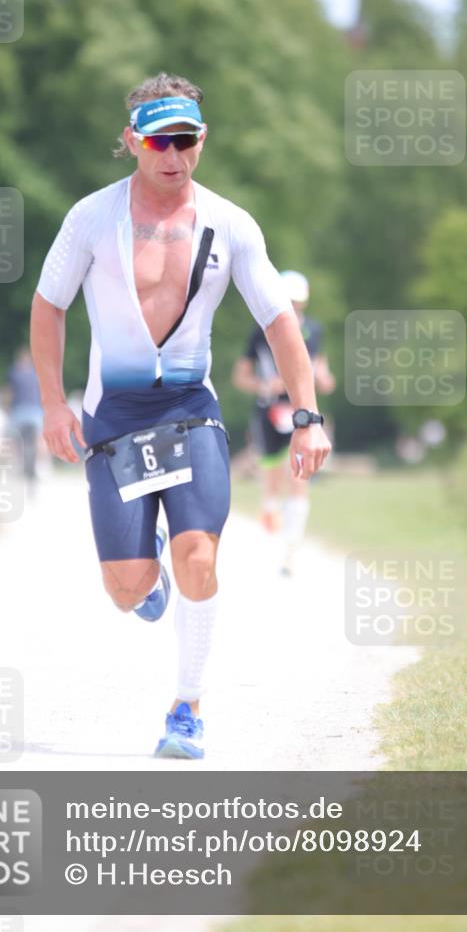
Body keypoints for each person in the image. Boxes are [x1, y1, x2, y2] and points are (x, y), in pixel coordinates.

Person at [29, 72, 331, 759]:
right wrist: (52, 401)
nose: (174, 154)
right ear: (134, 141)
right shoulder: (91, 219)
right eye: (160, 140)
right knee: (127, 588)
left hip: (192, 413)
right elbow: (49, 306)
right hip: (115, 418)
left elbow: (281, 322)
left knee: (202, 558)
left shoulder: (232, 224)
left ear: (202, 139)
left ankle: (186, 707)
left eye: (187, 139)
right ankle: (149, 577)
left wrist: (308, 415)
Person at [232, 271, 336, 574]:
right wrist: (266, 386)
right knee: (272, 482)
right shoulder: (261, 330)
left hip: (301, 414)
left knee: (300, 479)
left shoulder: (315, 331)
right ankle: (269, 519)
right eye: (290, 302)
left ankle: (291, 551)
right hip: (268, 412)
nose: (294, 308)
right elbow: (241, 376)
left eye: (299, 303)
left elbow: (320, 370)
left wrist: (324, 379)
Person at [1, 346, 44, 487]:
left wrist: (6, 409)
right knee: (36, 439)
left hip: (20, 411)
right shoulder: (36, 372)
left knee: (16, 440)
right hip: (34, 410)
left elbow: (8, 392)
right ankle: (38, 465)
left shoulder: (13, 372)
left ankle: (19, 463)